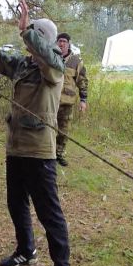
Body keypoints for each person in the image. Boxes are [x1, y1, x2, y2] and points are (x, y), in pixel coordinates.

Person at [0, 0, 71, 266]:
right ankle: (26, 251)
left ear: (42, 40)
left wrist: (27, 29)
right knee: (16, 203)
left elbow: (49, 58)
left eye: (33, 36)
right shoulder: (23, 65)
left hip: (39, 152)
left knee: (50, 214)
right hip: (16, 148)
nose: (27, 44)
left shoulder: (54, 68)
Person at [55, 33, 88, 167]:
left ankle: (59, 154)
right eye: (59, 41)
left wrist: (83, 100)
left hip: (67, 103)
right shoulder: (51, 57)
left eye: (64, 41)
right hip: (49, 101)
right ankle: (48, 154)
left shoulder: (76, 61)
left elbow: (83, 81)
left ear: (68, 44)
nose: (61, 44)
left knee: (63, 130)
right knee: (47, 129)